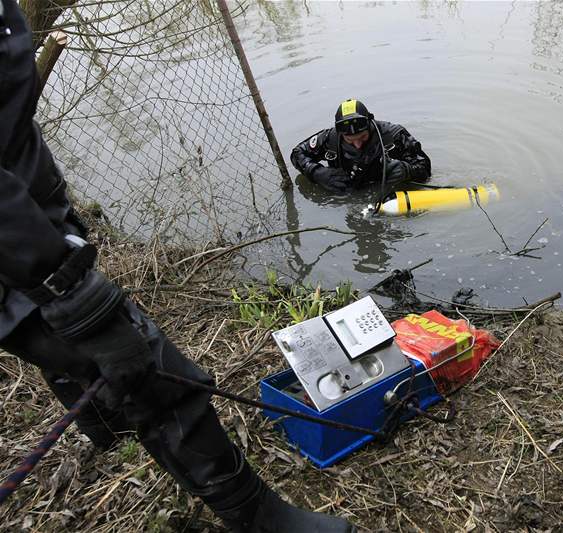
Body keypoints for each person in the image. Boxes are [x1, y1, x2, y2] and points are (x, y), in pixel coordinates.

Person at [0, 2, 354, 532]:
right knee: (156, 376)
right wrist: (76, 301)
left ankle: (102, 420)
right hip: (23, 255)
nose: (352, 139)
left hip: (31, 228)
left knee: (80, 361)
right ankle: (259, 519)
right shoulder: (325, 143)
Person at [291, 99, 431, 192]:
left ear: (370, 125)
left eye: (363, 137)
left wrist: (407, 171)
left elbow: (425, 168)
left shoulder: (394, 136)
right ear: (341, 134)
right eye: (350, 140)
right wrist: (318, 173)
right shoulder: (330, 138)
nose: (357, 145)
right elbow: (297, 153)